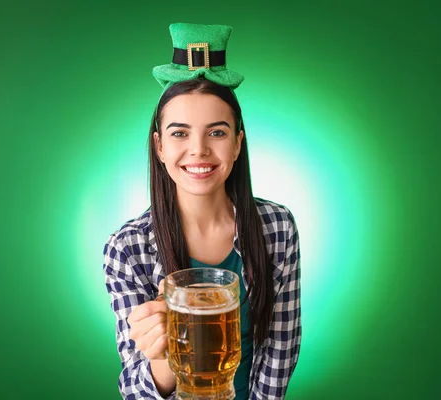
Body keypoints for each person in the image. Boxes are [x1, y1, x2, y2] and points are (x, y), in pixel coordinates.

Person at [103, 22, 301, 400]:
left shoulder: (277, 227)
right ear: (159, 146)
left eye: (217, 132)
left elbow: (281, 347)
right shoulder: (127, 249)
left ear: (238, 143)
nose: (199, 150)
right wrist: (160, 357)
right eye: (180, 133)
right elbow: (134, 390)